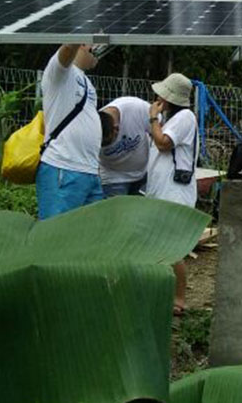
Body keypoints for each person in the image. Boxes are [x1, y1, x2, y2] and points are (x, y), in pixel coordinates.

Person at [145, 73, 198, 314]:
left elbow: (163, 143)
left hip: (174, 193)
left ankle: (179, 299)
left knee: (172, 249)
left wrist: (153, 119)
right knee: (160, 246)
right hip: (164, 192)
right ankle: (166, 294)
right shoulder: (173, 118)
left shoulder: (185, 117)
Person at [36, 44, 103, 220]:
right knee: (55, 236)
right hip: (63, 167)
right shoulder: (60, 71)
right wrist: (80, 30)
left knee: (89, 239)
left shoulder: (87, 82)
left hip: (89, 171)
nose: (100, 51)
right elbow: (66, 49)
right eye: (95, 46)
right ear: (82, 44)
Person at [98, 96, 151, 197]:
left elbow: (159, 131)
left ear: (116, 129)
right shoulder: (92, 127)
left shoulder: (135, 108)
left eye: (109, 142)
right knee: (116, 212)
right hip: (112, 178)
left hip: (143, 172)